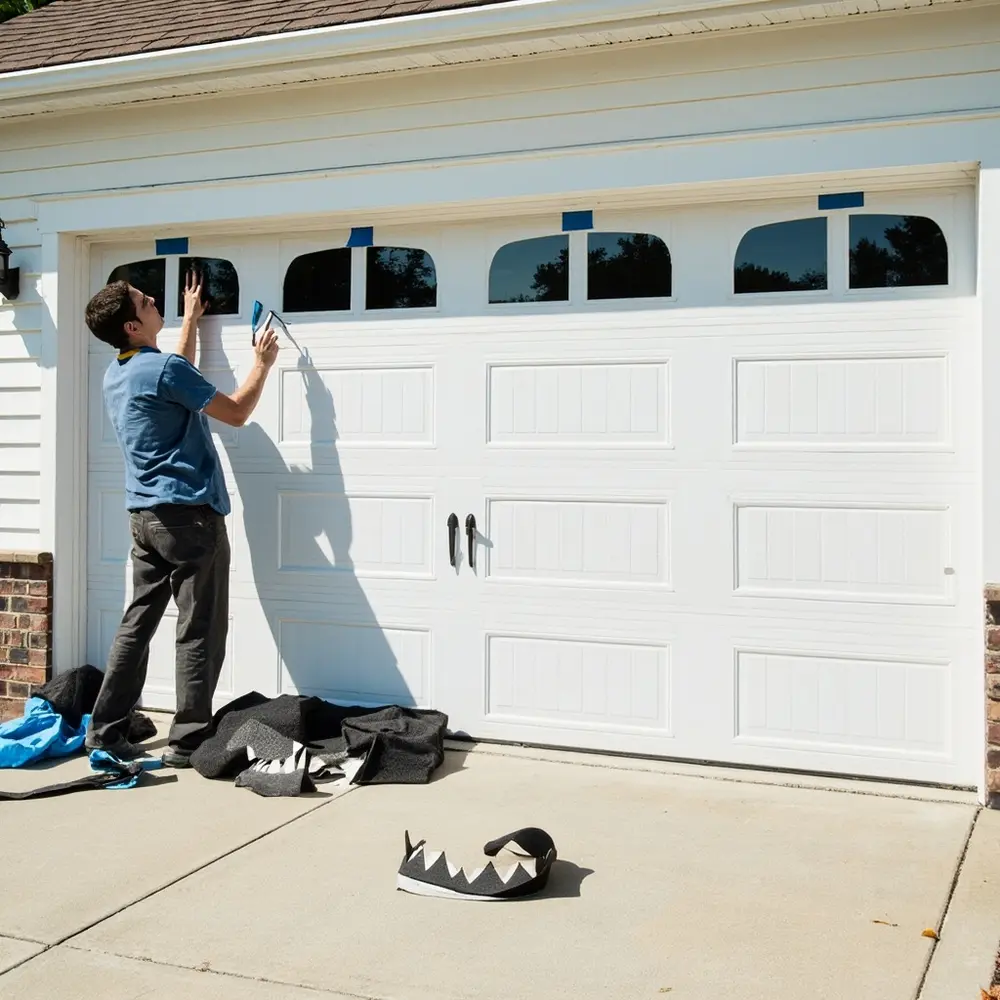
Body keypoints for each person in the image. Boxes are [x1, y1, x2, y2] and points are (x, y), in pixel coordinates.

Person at [83, 272, 279, 766]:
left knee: (136, 624)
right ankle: (188, 739)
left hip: (145, 517)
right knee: (200, 628)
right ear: (132, 325)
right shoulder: (164, 369)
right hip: (190, 519)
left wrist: (191, 319)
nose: (153, 300)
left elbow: (176, 371)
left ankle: (105, 731)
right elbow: (234, 412)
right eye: (144, 301)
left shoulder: (120, 371)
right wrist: (262, 363)